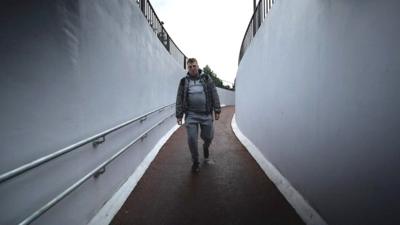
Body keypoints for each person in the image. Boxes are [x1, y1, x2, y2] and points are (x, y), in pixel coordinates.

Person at [176, 58, 221, 173]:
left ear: (198, 66)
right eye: (190, 67)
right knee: (191, 139)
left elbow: (214, 93)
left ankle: (206, 147)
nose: (192, 68)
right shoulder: (183, 81)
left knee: (208, 137)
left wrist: (217, 109)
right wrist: (179, 115)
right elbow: (179, 99)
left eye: (194, 66)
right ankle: (195, 161)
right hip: (191, 115)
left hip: (206, 114)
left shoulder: (206, 78)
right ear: (187, 68)